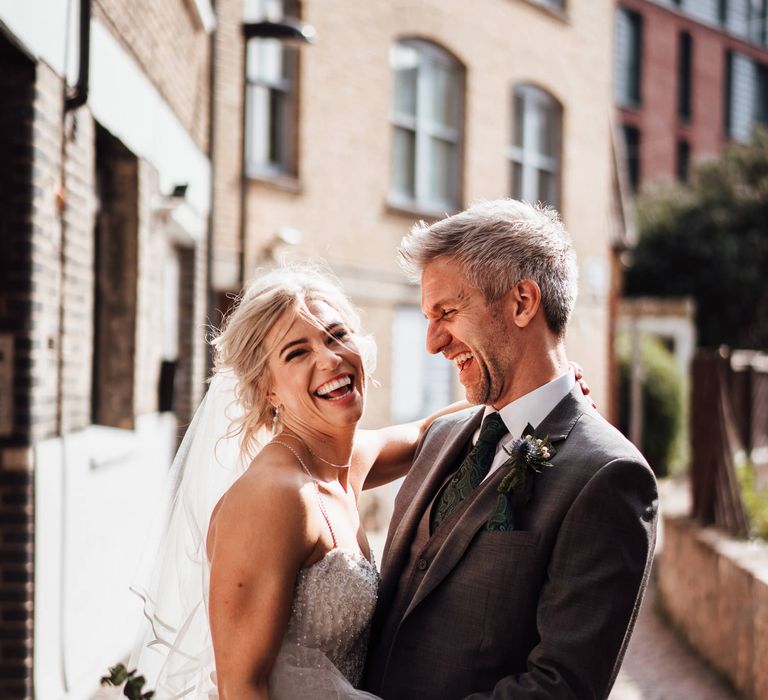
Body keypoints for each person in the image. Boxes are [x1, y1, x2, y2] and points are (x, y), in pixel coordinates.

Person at [363, 199, 659, 700]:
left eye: (448, 313)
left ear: (522, 302)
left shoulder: (609, 476)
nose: (433, 343)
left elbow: (560, 687)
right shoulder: (440, 438)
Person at [127, 264, 464, 700]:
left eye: (336, 335)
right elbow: (241, 687)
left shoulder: (343, 461)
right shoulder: (274, 496)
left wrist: (540, 385)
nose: (329, 359)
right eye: (296, 353)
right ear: (268, 390)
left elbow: (426, 434)